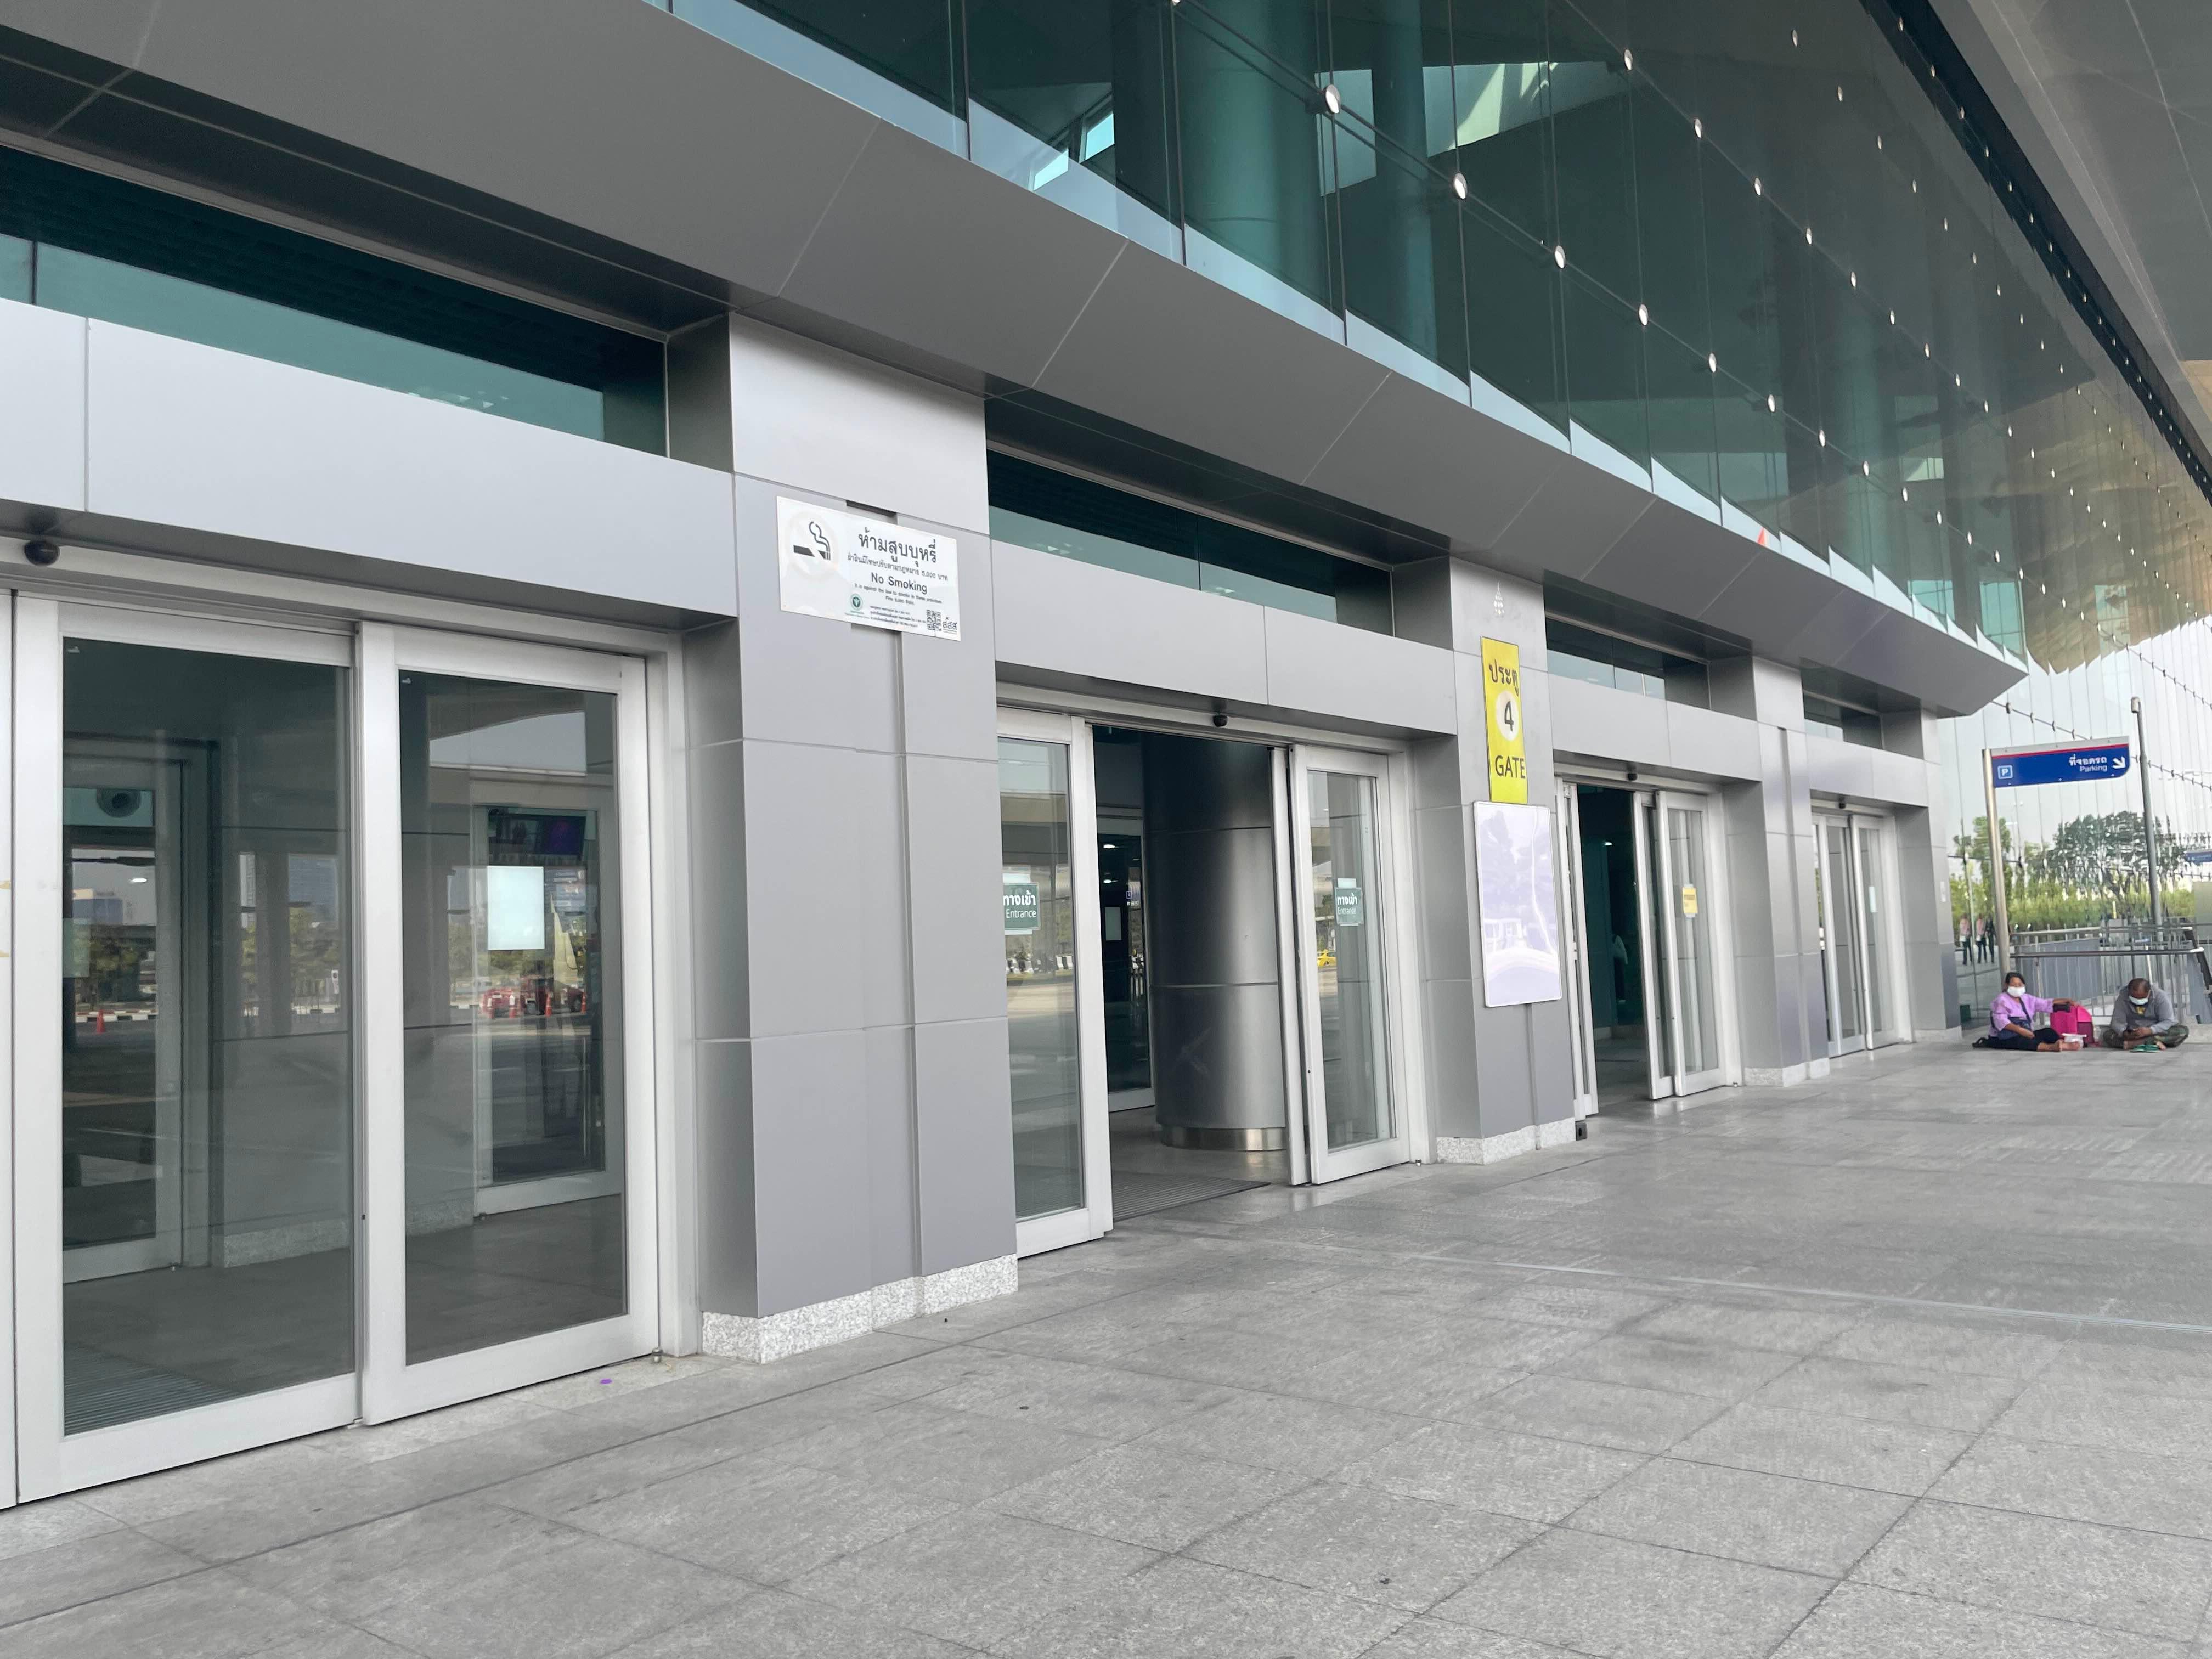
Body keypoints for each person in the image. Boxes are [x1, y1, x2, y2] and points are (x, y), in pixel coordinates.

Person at [1983, 973, 2079, 1052]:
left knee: (2048, 1032)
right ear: (2007, 985)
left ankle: (2063, 1044)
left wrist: (2066, 1000)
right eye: (2014, 985)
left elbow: (2045, 1003)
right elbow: (2001, 1021)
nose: (2017, 987)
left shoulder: (2027, 998)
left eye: (2019, 985)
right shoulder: (2001, 1000)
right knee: (2023, 1042)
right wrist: (2021, 1031)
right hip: (2004, 1038)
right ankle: (2051, 1047)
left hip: (2026, 1032)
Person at [2100, 978, 2190, 1050]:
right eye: (2134, 998)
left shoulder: (2161, 997)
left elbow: (2168, 1021)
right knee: (2107, 1034)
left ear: (2149, 992)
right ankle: (2152, 1042)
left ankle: (2138, 1043)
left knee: (2182, 1031)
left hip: (2155, 1031)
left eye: (2141, 998)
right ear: (2129, 992)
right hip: (2133, 1032)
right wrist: (2124, 1033)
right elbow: (2117, 1021)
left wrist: (2151, 1030)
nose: (2138, 1001)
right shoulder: (2123, 998)